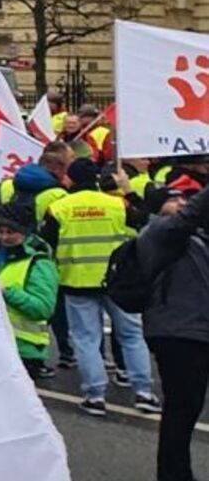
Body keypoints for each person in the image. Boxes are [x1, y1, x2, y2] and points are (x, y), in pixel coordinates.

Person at [44, 158, 159, 416]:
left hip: (77, 280)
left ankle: (95, 395)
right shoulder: (117, 204)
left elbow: (48, 243)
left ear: (69, 179)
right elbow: (146, 221)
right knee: (131, 335)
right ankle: (143, 392)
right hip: (117, 280)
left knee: (86, 339)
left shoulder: (58, 208)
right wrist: (127, 189)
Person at [139, 182, 209, 481]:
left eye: (183, 198)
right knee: (181, 406)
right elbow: (192, 213)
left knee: (186, 406)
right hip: (177, 331)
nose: (182, 202)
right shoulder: (160, 231)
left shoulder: (190, 237)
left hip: (190, 329)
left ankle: (176, 473)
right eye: (174, 199)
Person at [0, 202, 59, 382]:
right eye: (0, 231)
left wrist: (6, 292)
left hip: (25, 350)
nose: (4, 237)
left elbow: (43, 308)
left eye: (11, 232)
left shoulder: (39, 263)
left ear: (26, 232)